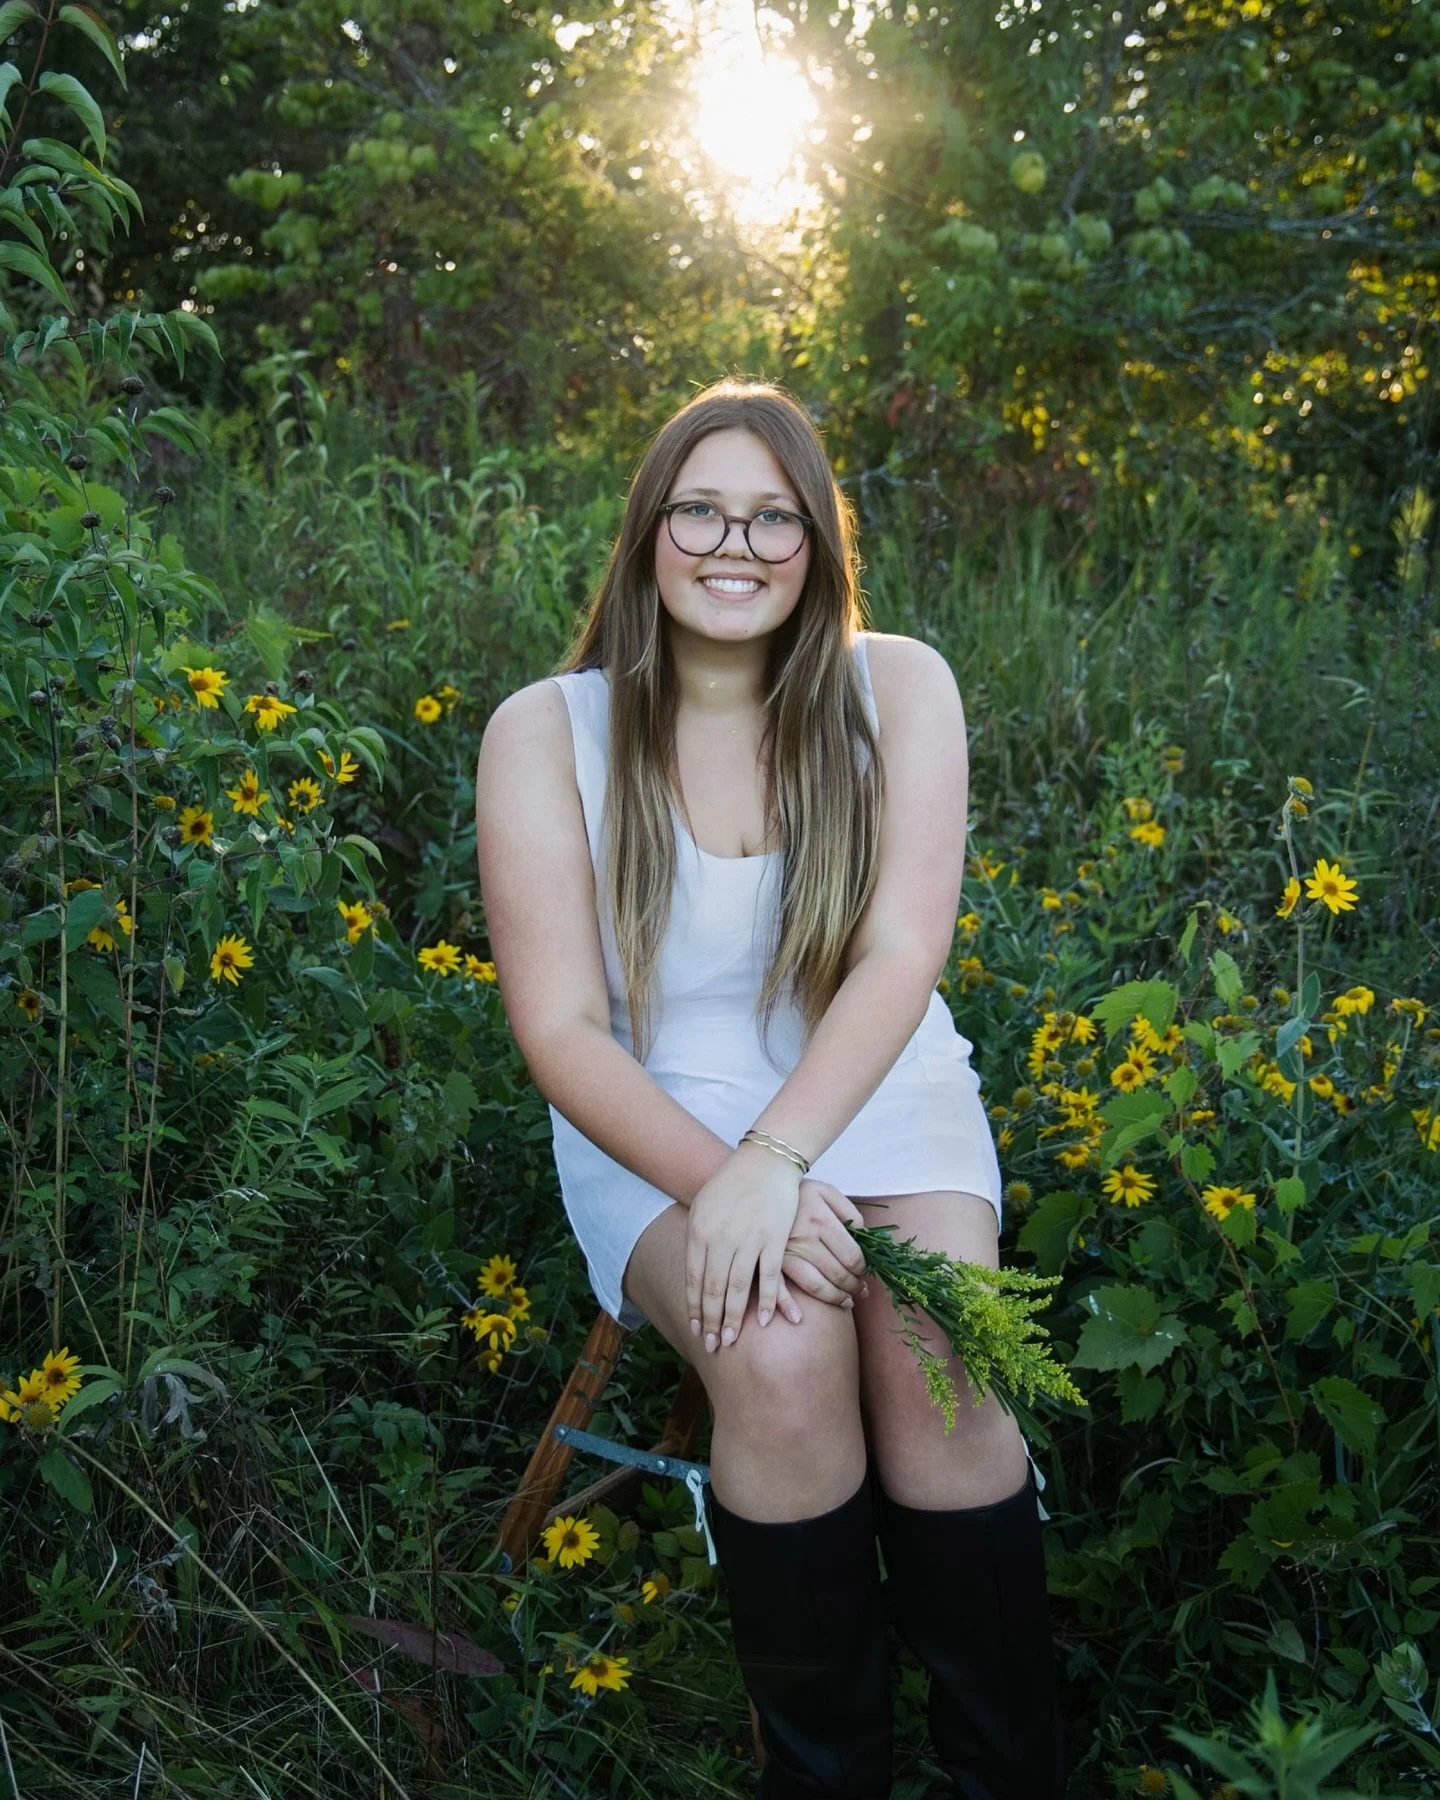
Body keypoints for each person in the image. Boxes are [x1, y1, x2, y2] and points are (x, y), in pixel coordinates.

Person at [474, 378, 1065, 1798]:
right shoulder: (546, 731)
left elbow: (905, 952)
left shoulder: (896, 685)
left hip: (875, 1085)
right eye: (699, 510)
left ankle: (1012, 1770)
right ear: (648, 531)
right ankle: (828, 1773)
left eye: (772, 517)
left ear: (817, 542)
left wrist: (780, 1157)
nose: (731, 545)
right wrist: (724, 1172)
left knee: (939, 1355)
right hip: (657, 1118)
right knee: (788, 1360)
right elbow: (560, 1030)